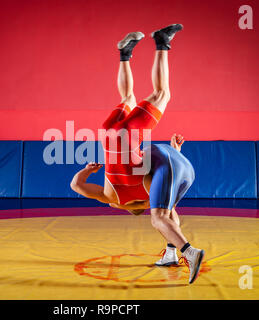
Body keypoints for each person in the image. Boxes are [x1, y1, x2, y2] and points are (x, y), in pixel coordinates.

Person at [70, 24, 205, 284]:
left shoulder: (136, 194)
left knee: (162, 94)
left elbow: (167, 211)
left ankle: (162, 42)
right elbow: (75, 184)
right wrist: (89, 169)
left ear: (141, 206)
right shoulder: (108, 197)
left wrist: (174, 153)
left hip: (127, 135)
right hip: (108, 135)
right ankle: (124, 54)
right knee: (128, 97)